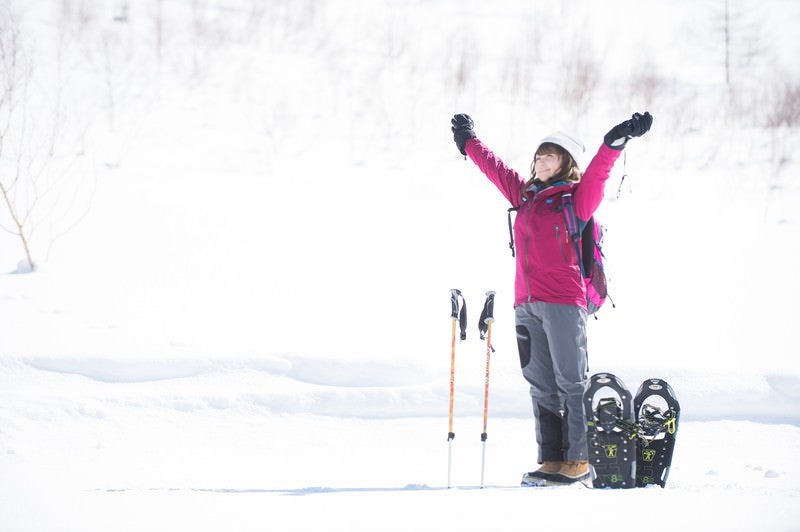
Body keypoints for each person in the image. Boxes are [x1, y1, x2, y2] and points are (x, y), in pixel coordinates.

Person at [450, 111, 653, 486]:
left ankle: (579, 459)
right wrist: (468, 142)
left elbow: (599, 173)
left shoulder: (576, 200)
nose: (541, 161)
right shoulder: (525, 196)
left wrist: (614, 140)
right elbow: (495, 169)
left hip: (563, 303)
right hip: (525, 305)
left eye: (550, 156)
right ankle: (551, 460)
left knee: (570, 382)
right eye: (539, 156)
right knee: (540, 383)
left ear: (566, 164)